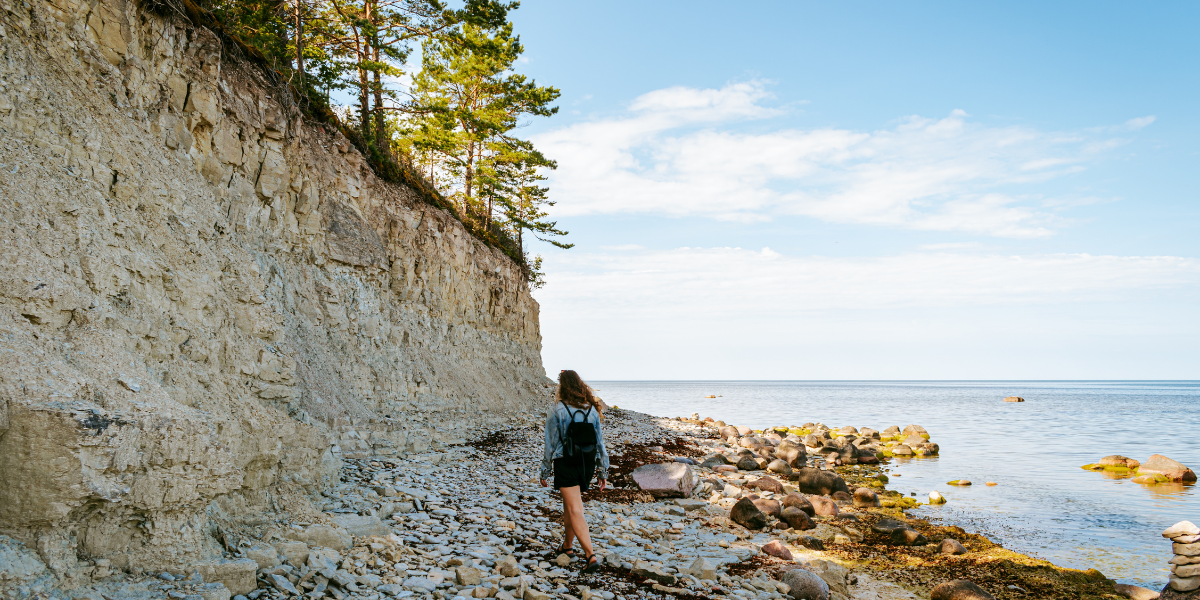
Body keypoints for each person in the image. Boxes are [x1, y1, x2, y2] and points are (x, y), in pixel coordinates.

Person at [540, 370, 609, 573]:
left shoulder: (558, 409)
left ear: (562, 387)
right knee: (570, 506)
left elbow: (550, 443)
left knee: (575, 509)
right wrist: (602, 470)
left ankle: (590, 555)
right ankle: (567, 547)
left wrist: (544, 470)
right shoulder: (591, 409)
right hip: (586, 463)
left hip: (566, 462)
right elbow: (600, 444)